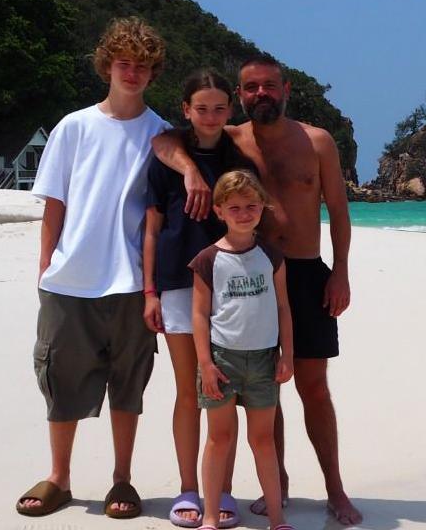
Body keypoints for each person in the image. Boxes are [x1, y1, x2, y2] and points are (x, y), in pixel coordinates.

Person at [152, 54, 362, 525]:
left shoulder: (317, 141)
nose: (260, 94)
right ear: (240, 96)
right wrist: (188, 168)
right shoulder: (230, 137)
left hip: (306, 273)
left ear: (285, 88)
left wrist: (341, 271)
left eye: (269, 85)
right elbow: (164, 140)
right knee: (268, 388)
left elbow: (340, 211)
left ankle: (335, 489)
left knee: (313, 387)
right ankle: (278, 484)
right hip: (252, 274)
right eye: (251, 88)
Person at [16, 17, 171, 518]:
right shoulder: (74, 126)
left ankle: (122, 478)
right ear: (107, 65)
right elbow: (54, 203)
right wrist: (46, 266)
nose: (132, 72)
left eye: (143, 66)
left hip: (131, 280)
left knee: (129, 381)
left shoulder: (162, 135)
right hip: (70, 278)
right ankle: (59, 476)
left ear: (153, 73)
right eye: (124, 63)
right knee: (61, 380)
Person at [143, 70, 259, 528]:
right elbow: (151, 228)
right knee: (188, 389)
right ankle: (188, 487)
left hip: (230, 286)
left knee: (223, 388)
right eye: (201, 108)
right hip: (175, 282)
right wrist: (149, 290)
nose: (210, 117)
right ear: (185, 110)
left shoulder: (239, 158)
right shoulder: (168, 159)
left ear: (230, 111)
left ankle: (223, 489)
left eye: (219, 108)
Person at [191, 170, 295, 530]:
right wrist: (205, 363)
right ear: (219, 210)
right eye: (234, 207)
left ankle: (277, 519)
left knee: (262, 439)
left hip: (265, 359)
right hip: (222, 359)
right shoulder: (208, 259)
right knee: (219, 438)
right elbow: (200, 314)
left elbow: (283, 306)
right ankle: (209, 516)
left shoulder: (271, 255)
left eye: (251, 206)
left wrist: (288, 355)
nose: (243, 213)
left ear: (262, 207)